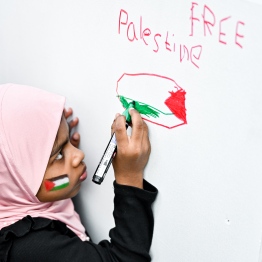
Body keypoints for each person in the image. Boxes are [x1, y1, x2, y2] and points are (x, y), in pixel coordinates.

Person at [0, 83, 158, 262]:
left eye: (68, 140)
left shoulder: (15, 195)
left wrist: (54, 147)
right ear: (15, 179)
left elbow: (46, 181)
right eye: (59, 154)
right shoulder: (32, 248)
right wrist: (129, 177)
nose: (78, 155)